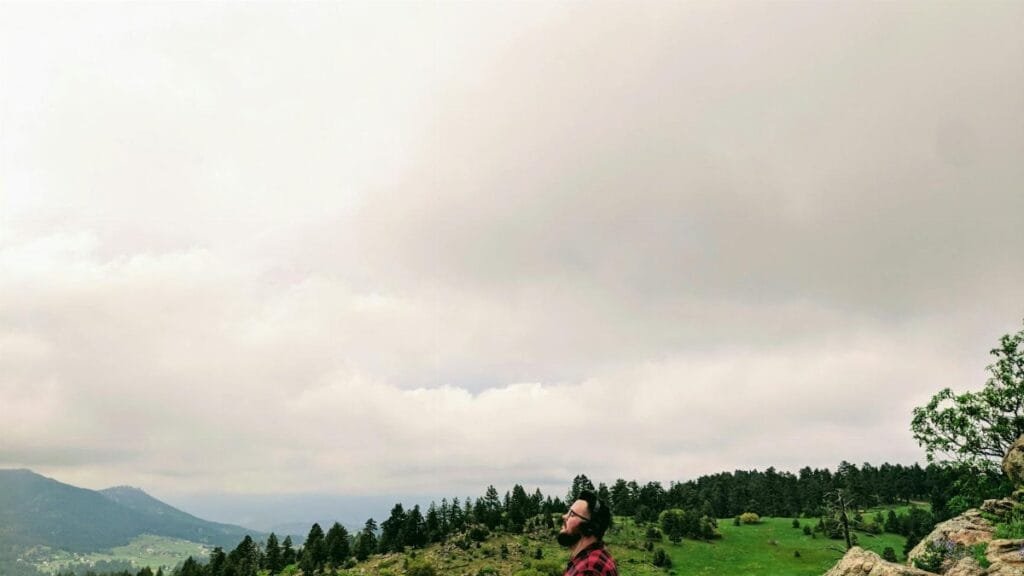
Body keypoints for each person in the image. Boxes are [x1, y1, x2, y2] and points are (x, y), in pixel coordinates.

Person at [559, 489, 619, 576]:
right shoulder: (591, 559)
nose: (564, 516)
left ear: (589, 528)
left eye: (572, 514)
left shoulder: (589, 570)